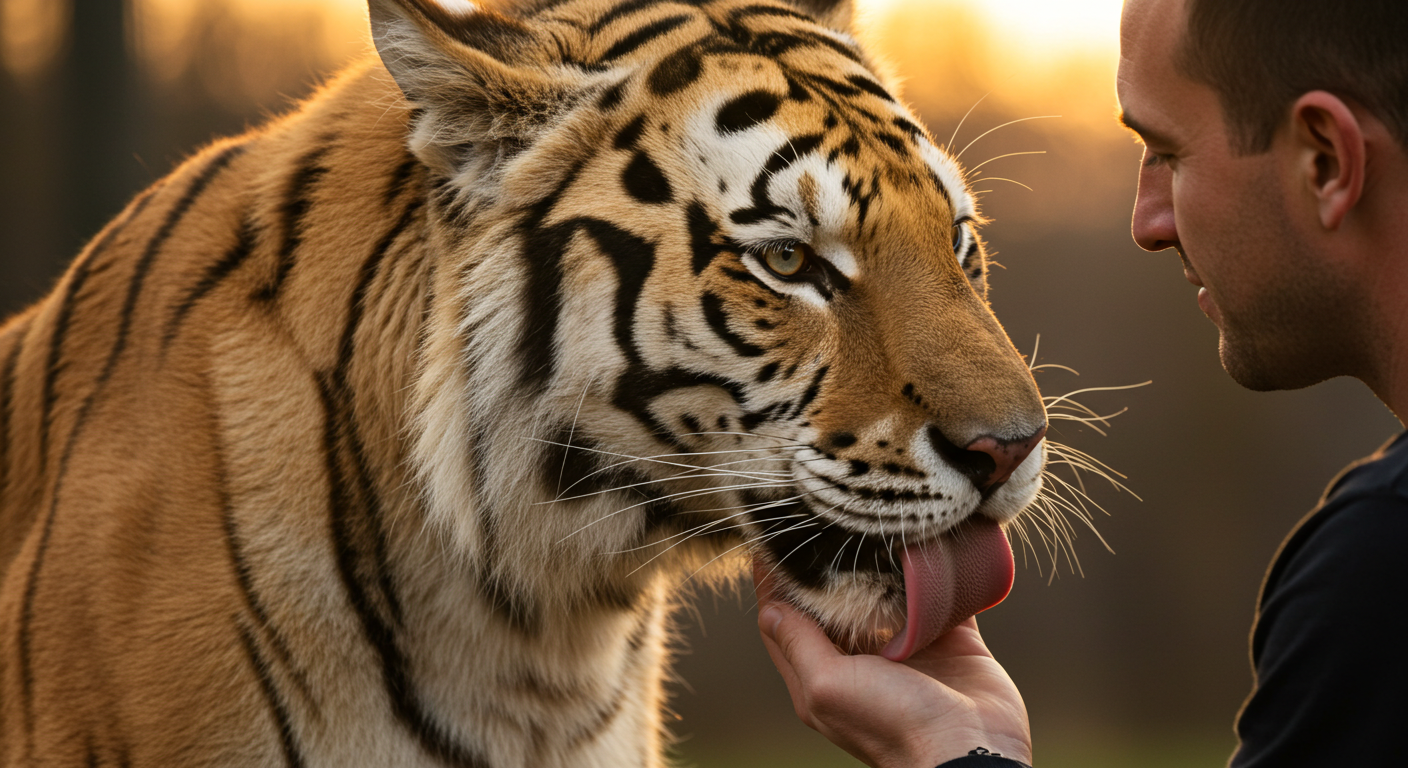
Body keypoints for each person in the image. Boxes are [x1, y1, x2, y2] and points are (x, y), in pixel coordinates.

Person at [752, 0, 1408, 765]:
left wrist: (953, 756)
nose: (1146, 221)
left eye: (1167, 152)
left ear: (1325, 159)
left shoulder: (1381, 573)